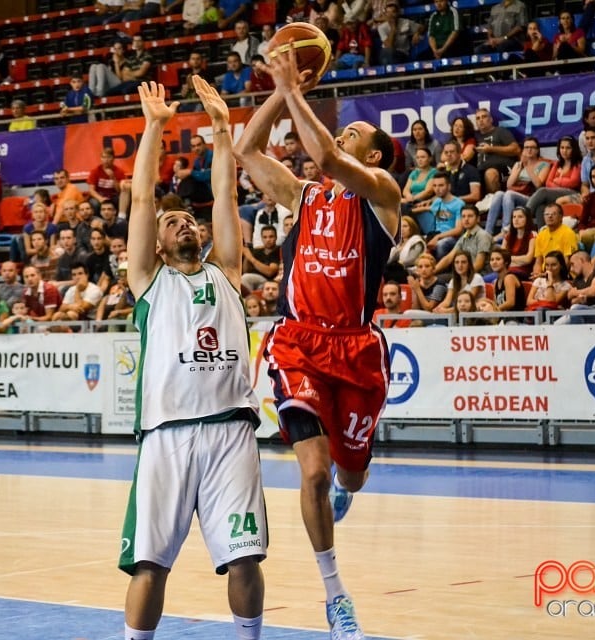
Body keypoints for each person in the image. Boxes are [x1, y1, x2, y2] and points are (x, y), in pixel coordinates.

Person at [234, 43, 400, 639]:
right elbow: (245, 149)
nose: (343, 133)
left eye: (354, 130)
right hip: (298, 343)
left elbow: (327, 157)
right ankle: (335, 595)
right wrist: (280, 92)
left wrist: (296, 89)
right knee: (311, 471)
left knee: (349, 477)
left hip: (356, 350)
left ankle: (346, 485)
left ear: (374, 154)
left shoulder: (382, 194)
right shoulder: (305, 198)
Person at [119, 77, 266, 640]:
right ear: (156, 244)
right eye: (172, 222)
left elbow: (225, 196)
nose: (185, 223)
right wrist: (155, 126)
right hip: (166, 434)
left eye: (189, 220)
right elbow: (142, 198)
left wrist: (224, 133)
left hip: (231, 431)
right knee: (151, 564)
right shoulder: (147, 281)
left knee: (246, 556)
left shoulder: (226, 272)